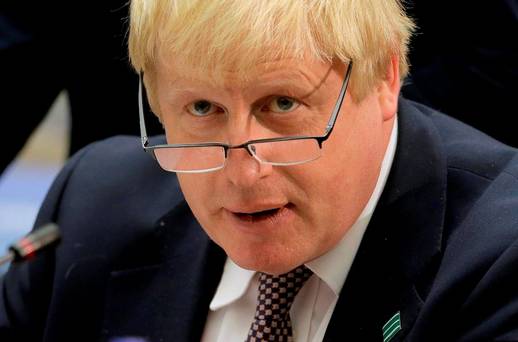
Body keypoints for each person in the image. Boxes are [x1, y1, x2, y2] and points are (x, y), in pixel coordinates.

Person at [1, 1, 518, 341]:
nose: (244, 175)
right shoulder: (89, 211)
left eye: (283, 104)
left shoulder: (500, 262)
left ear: (383, 78)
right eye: (202, 109)